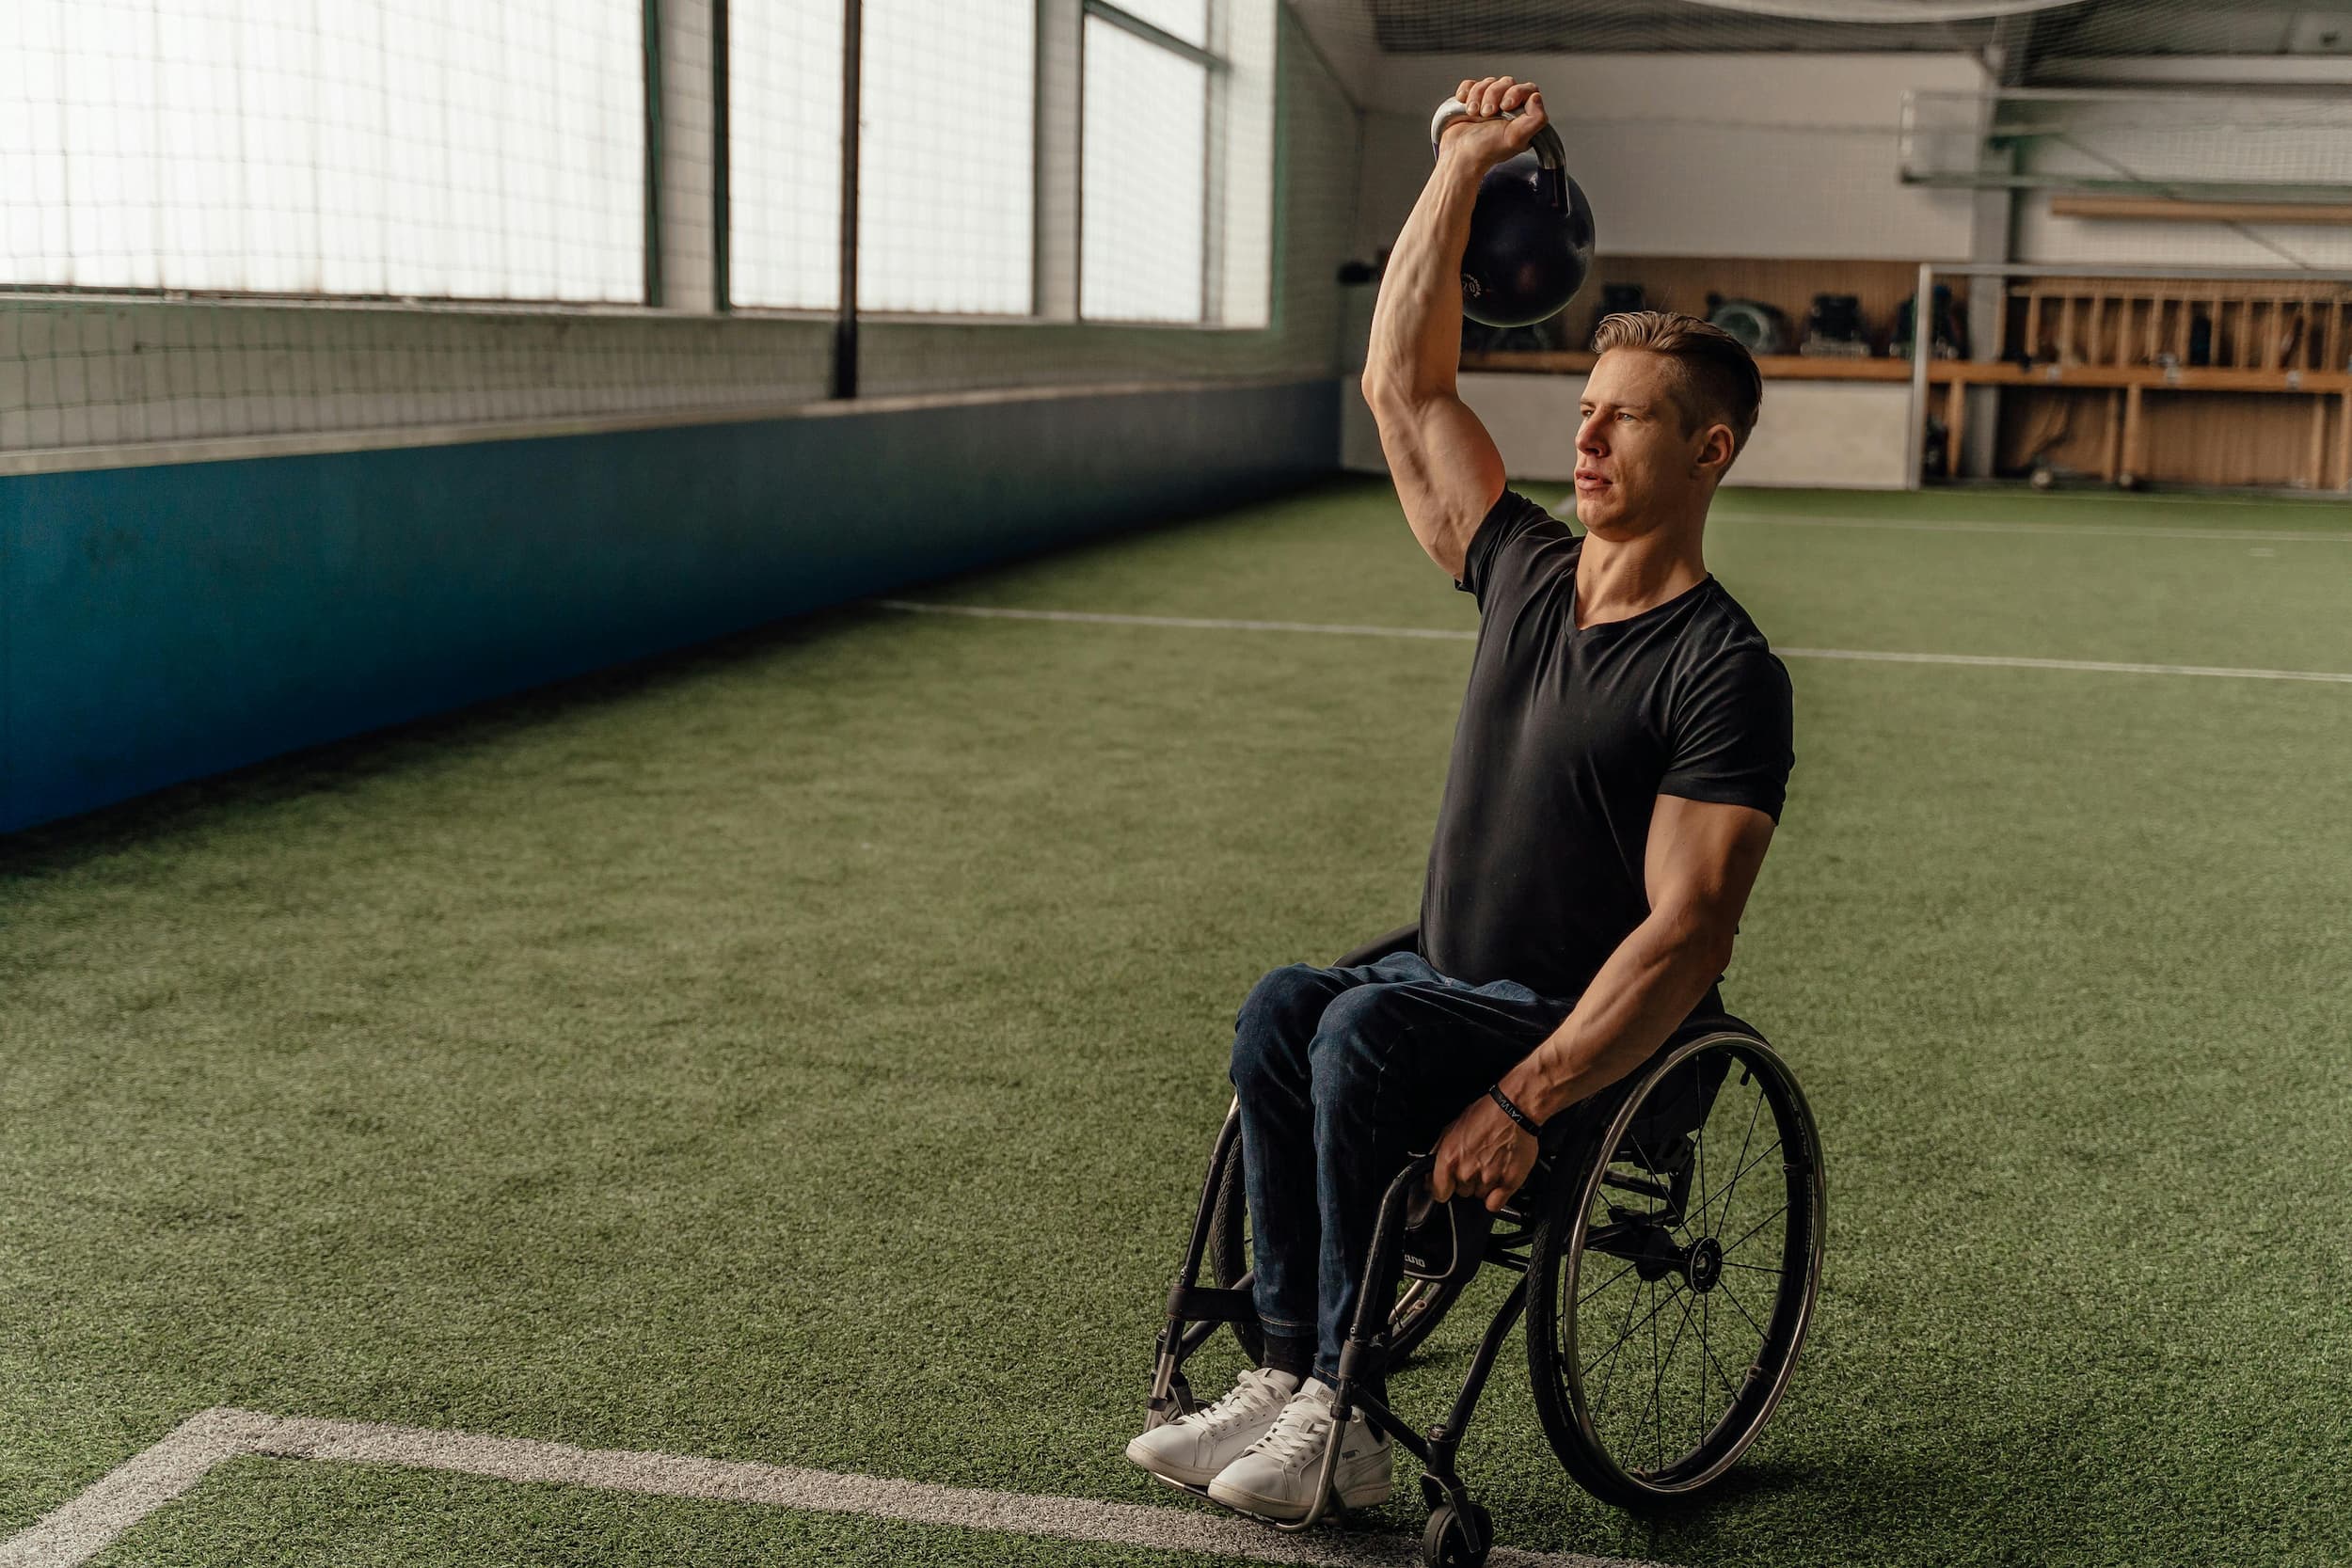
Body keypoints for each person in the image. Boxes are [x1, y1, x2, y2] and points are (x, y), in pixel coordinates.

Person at [1126, 74, 1793, 1524]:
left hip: (1563, 1030)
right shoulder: (1525, 573)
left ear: (1711, 452)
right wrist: (1461, 160)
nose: (1591, 440)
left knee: (1362, 1026)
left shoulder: (1724, 672)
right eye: (1588, 411)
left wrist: (1526, 1093)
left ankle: (1347, 1422)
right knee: (1282, 1007)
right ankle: (1293, 1371)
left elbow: (1688, 940)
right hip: (1442, 978)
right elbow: (1404, 386)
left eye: (1629, 422)